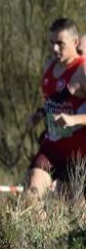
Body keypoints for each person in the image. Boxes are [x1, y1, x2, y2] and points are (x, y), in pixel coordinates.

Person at [25, 18, 86, 199]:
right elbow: (53, 101)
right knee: (31, 194)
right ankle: (36, 227)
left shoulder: (82, 70)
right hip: (53, 145)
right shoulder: (48, 66)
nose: (55, 49)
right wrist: (40, 113)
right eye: (52, 43)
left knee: (74, 215)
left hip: (80, 153)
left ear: (75, 42)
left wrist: (73, 120)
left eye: (60, 44)